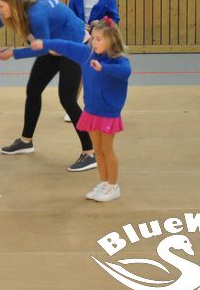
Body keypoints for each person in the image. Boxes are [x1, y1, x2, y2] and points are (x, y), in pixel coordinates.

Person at [0, 0, 96, 171]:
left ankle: (90, 152)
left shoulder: (36, 16)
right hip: (54, 45)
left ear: (12, 3)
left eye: (1, 6)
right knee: (33, 90)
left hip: (73, 45)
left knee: (67, 99)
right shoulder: (15, 8)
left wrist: (13, 54)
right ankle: (26, 141)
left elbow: (43, 48)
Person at [31, 17, 131, 201]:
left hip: (108, 113)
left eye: (99, 39)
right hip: (91, 111)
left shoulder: (119, 61)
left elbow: (125, 72)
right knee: (97, 150)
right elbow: (66, 45)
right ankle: (104, 183)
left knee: (107, 149)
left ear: (112, 39)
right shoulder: (87, 54)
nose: (94, 42)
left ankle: (113, 186)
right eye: (93, 39)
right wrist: (44, 43)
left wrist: (103, 68)